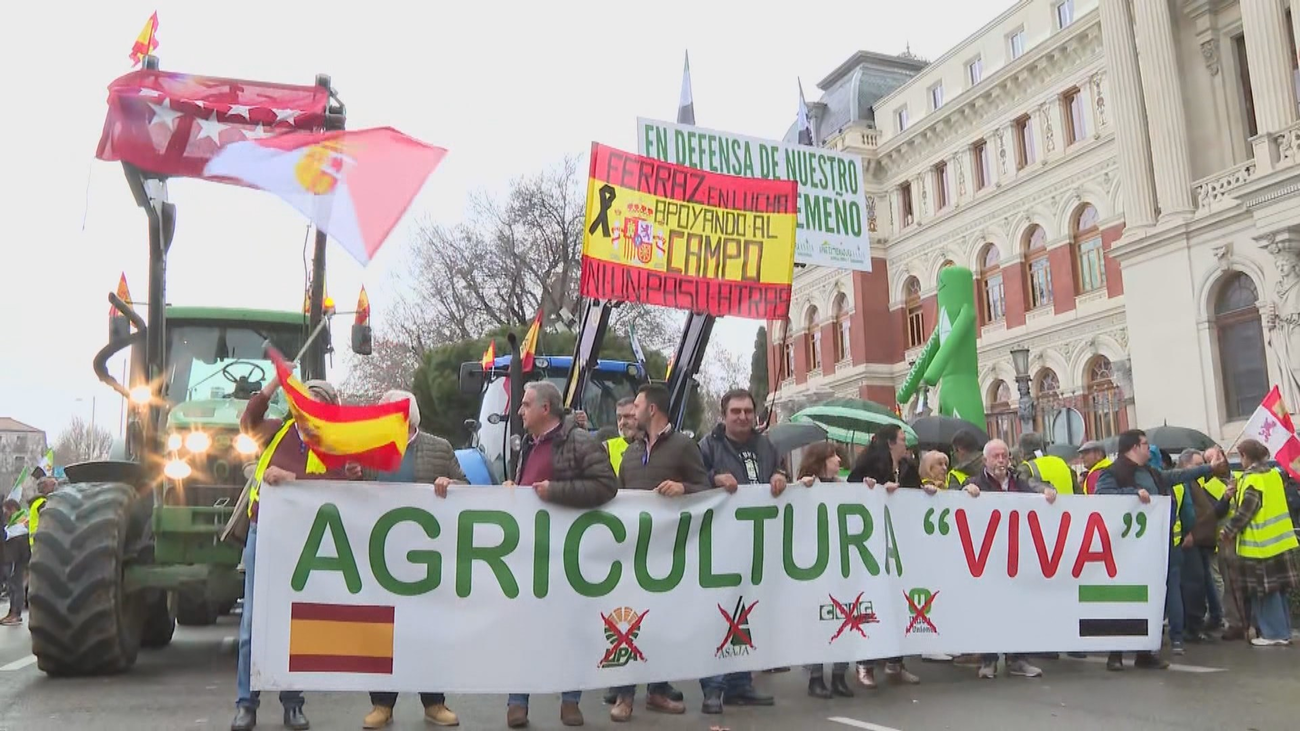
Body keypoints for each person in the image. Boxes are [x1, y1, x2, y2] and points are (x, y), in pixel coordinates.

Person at [232, 375, 361, 731]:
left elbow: (342, 488)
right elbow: (247, 423)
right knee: (253, 624)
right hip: (265, 532)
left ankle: (293, 703)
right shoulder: (275, 431)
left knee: (294, 623)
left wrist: (292, 480)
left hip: (305, 541)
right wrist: (273, 385)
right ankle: (246, 703)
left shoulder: (335, 447)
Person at [504, 380, 619, 729]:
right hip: (530, 552)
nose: (520, 411)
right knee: (524, 627)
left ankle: (570, 700)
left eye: (525, 404)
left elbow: (606, 485)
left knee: (571, 626)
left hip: (569, 554)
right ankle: (517, 702)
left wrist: (556, 492)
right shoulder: (526, 444)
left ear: (545, 409)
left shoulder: (580, 441)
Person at [361, 390, 463, 729]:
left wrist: (452, 483)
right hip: (381, 559)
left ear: (409, 418)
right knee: (381, 633)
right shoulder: (370, 450)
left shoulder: (440, 448)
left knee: (428, 631)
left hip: (426, 560)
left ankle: (434, 703)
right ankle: (382, 705)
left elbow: (468, 488)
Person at [605, 383, 701, 722]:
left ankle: (658, 690)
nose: (632, 412)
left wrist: (684, 488)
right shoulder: (630, 453)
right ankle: (625, 695)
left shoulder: (684, 446)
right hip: (631, 554)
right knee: (627, 620)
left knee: (660, 622)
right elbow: (617, 497)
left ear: (653, 410)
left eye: (638, 405)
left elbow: (707, 489)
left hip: (669, 555)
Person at [1094, 429, 1225, 671]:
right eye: (1144, 444)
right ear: (1133, 447)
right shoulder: (1112, 473)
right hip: (1125, 549)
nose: (1148, 448)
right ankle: (1116, 653)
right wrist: (1132, 494)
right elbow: (1102, 496)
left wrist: (1208, 468)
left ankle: (1145, 651)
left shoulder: (1152, 473)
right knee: (1124, 599)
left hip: (1153, 547)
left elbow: (1177, 476)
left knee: (1150, 600)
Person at [696, 388, 784, 712]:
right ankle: (713, 688)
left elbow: (780, 469)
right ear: (724, 415)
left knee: (748, 613)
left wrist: (779, 476)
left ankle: (740, 684)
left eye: (748, 411)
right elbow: (692, 481)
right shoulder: (708, 446)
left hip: (756, 542)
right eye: (736, 412)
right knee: (717, 616)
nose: (743, 417)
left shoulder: (765, 445)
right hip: (718, 543)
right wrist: (713, 479)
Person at [963, 438, 1054, 679]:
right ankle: (989, 660)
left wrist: (1046, 492)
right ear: (985, 460)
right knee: (990, 607)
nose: (1001, 460)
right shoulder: (975, 483)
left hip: (1017, 556)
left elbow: (1035, 489)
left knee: (1018, 606)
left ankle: (1018, 659)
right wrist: (966, 493)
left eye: (1004, 456)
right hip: (988, 558)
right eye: (996, 456)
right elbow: (955, 502)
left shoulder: (1019, 483)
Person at [847, 425, 922, 688]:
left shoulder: (909, 468)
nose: (906, 445)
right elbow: (850, 494)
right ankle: (865, 662)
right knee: (874, 601)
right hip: (872, 543)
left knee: (899, 602)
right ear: (891, 443)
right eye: (902, 440)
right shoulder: (869, 466)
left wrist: (927, 493)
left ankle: (895, 662)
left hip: (901, 543)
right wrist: (872, 488)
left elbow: (917, 495)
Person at [1219, 439, 1300, 646]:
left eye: (1241, 456)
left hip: (1259, 547)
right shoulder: (1273, 474)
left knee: (1264, 592)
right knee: (1278, 591)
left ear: (1246, 456)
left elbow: (1246, 511)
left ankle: (1273, 634)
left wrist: (1227, 530)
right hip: (1280, 542)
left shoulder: (1253, 480)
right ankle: (1283, 631)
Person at [795, 441, 856, 699]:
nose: (839, 461)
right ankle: (816, 676)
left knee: (844, 615)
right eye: (834, 457)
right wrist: (800, 489)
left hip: (842, 562)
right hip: (814, 563)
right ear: (821, 461)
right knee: (818, 619)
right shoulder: (803, 488)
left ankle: (840, 675)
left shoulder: (845, 487)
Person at [1176, 449, 1231, 645]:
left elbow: (1211, 514)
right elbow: (1188, 515)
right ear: (1185, 466)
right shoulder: (1184, 484)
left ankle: (1202, 623)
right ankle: (1191, 627)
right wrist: (1189, 534)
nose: (1203, 468)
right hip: (1191, 542)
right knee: (1194, 585)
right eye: (1198, 464)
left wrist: (1225, 500)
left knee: (1203, 583)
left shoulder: (1197, 484)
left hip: (1203, 541)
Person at [0, 499, 29, 627]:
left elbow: (7, 536)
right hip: (14, 558)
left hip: (17, 559)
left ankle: (15, 614)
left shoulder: (20, 521)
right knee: (13, 586)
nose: (5, 513)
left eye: (6, 509)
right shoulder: (16, 521)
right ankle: (12, 612)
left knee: (16, 586)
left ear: (12, 509)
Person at [604, 396, 639, 475]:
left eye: (628, 417)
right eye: (619, 418)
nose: (622, 422)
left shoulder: (653, 446)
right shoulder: (607, 448)